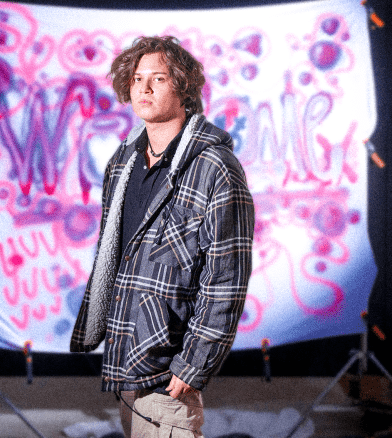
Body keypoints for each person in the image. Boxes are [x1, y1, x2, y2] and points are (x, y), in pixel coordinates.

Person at [70, 35, 255, 438]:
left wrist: (194, 364)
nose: (145, 88)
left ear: (184, 87)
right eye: (137, 79)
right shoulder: (123, 162)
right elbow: (115, 260)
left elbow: (226, 279)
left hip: (169, 376)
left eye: (158, 78)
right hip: (124, 365)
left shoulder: (215, 168)